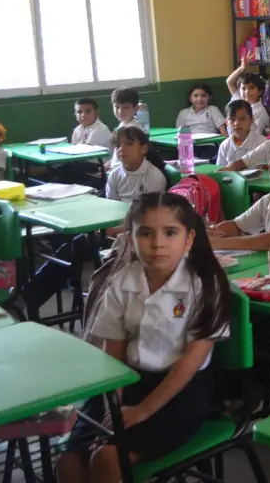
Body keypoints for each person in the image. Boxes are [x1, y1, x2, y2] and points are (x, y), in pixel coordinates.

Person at [57, 193, 230, 483]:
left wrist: (144, 409)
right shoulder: (124, 280)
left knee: (107, 458)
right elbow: (113, 351)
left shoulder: (205, 284)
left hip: (181, 391)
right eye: (145, 233)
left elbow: (192, 361)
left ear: (188, 240)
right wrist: (114, 402)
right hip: (127, 380)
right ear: (131, 238)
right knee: (69, 461)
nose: (158, 243)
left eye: (170, 233)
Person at [106, 127, 167, 204]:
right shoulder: (114, 175)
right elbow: (111, 204)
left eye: (129, 144)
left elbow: (150, 211)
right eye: (118, 146)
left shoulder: (154, 176)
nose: (121, 149)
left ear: (143, 149)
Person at [225, 55, 270, 137]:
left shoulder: (260, 112)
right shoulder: (238, 100)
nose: (247, 92)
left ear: (259, 92)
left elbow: (254, 135)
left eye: (251, 88)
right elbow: (229, 82)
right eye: (243, 88)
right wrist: (242, 68)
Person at [215, 100, 264, 167]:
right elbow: (221, 171)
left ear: (251, 120)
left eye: (242, 119)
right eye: (232, 119)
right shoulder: (224, 145)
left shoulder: (262, 142)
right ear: (226, 122)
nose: (237, 123)